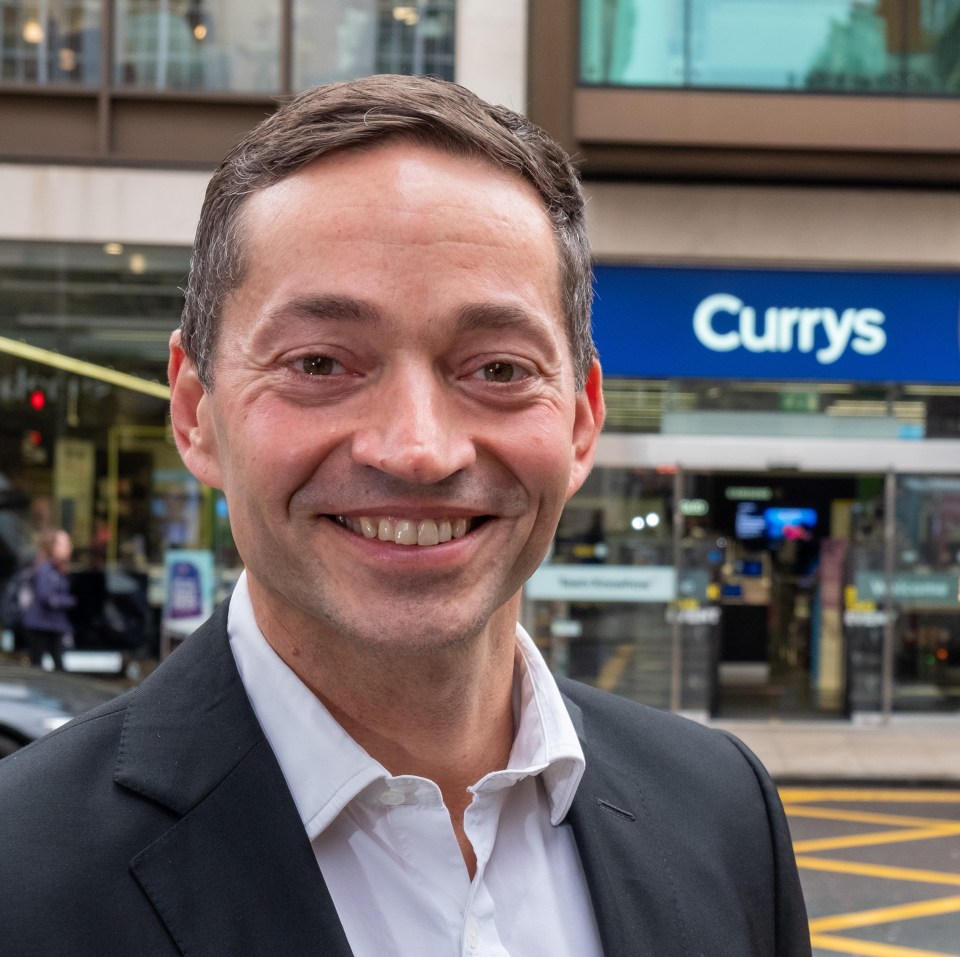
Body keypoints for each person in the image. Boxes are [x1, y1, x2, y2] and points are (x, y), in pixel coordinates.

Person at [0, 75, 811, 956]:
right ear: (196, 409)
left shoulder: (726, 812)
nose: (419, 449)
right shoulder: (20, 869)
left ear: (581, 421)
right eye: (320, 363)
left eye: (497, 369)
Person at [22, 528, 75, 671]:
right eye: (64, 544)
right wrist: (68, 601)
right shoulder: (45, 569)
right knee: (39, 666)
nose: (69, 548)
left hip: (53, 625)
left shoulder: (58, 569)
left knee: (57, 665)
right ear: (52, 547)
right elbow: (45, 596)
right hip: (41, 625)